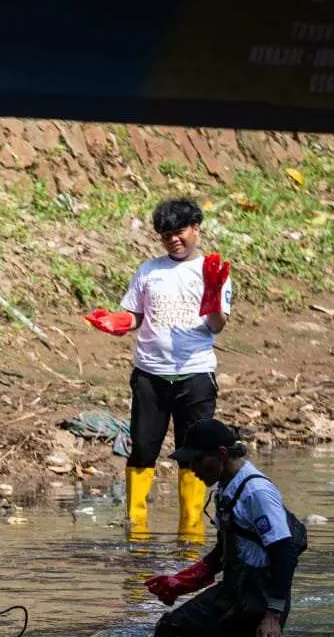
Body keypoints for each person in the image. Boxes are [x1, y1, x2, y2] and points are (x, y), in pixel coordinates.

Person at [85, 198, 233, 540]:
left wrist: (212, 296)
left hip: (195, 375)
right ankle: (136, 530)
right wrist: (115, 321)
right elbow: (134, 315)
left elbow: (216, 326)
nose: (172, 240)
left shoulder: (213, 271)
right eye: (165, 235)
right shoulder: (148, 271)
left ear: (195, 228)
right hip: (150, 375)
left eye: (179, 232)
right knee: (142, 448)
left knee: (193, 453)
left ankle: (191, 534)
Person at [145, 420, 305, 637]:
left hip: (260, 598)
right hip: (234, 588)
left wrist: (272, 615)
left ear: (221, 455)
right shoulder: (226, 486)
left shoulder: (256, 493)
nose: (192, 468)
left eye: (197, 460)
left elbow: (284, 552)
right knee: (172, 630)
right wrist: (182, 582)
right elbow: (225, 550)